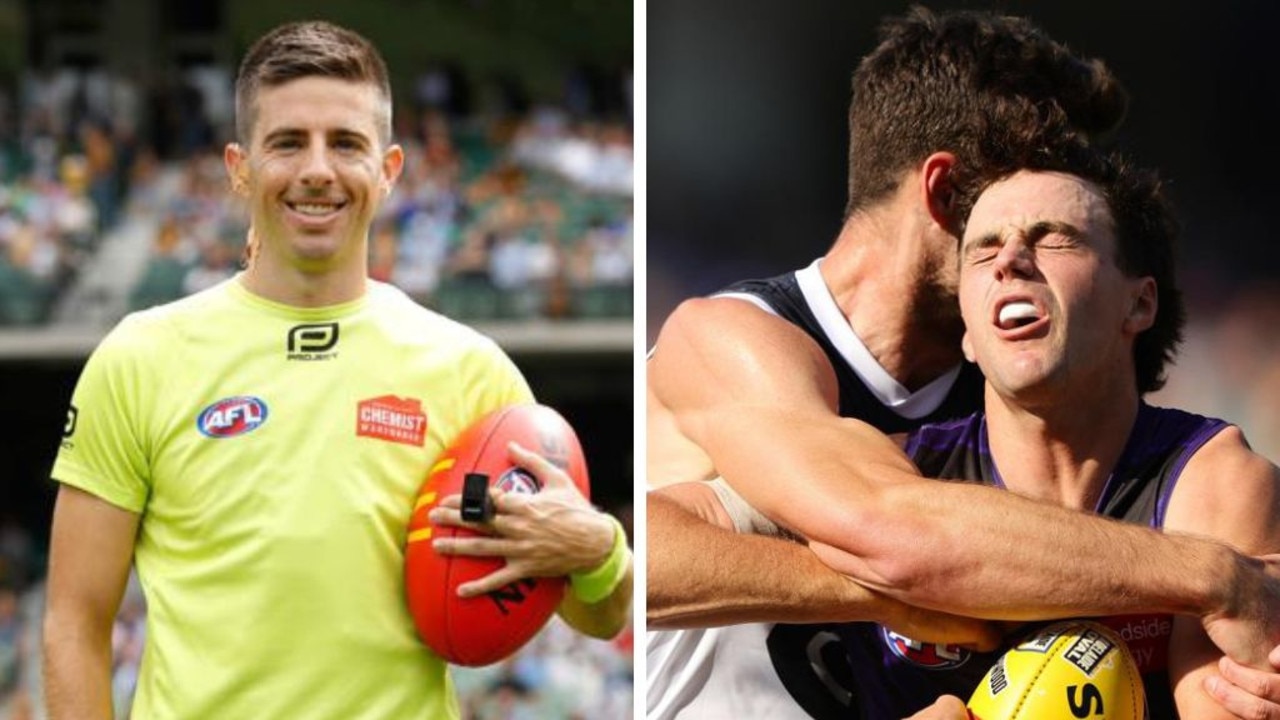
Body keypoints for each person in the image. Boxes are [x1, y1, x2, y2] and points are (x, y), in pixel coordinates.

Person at [646, 7, 1280, 719]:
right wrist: (1208, 572)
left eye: (1061, 229)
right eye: (1022, 190)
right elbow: (888, 533)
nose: (1020, 252)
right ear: (948, 196)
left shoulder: (1011, 395)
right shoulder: (738, 339)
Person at [42, 21, 630, 720]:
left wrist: (600, 549)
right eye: (288, 142)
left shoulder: (473, 375)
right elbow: (74, 621)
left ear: (388, 170)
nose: (317, 169)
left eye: (346, 143)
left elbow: (599, 615)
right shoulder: (139, 357)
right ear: (239, 167)